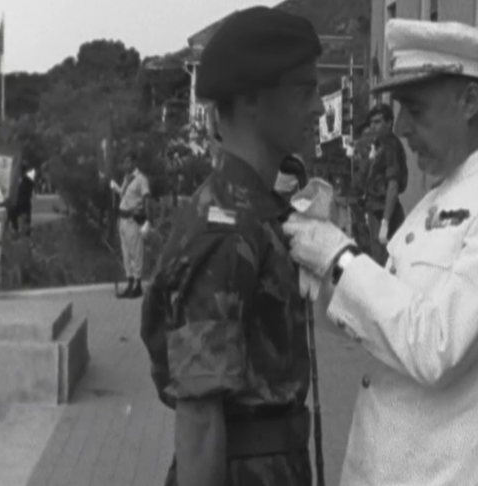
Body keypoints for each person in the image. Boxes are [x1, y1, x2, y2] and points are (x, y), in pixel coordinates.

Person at [283, 18, 478, 486]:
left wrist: (342, 259)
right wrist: (323, 277)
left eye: (415, 109)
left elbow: (435, 346)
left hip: (451, 470)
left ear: (469, 101)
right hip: (391, 462)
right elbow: (386, 319)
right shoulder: (441, 193)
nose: (401, 128)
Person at [140, 7, 324, 486]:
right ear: (250, 101)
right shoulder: (224, 232)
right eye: (305, 91)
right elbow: (199, 420)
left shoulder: (254, 213)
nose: (320, 108)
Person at [361, 104, 408, 265]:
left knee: (385, 263)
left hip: (385, 211)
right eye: (371, 123)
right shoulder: (378, 145)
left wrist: (385, 222)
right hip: (375, 210)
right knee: (377, 259)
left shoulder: (391, 147)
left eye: (378, 122)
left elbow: (393, 186)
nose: (373, 126)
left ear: (389, 123)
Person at [108, 153, 151, 298]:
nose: (126, 165)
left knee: (135, 253)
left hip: (133, 220)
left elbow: (146, 199)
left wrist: (148, 221)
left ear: (134, 162)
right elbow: (126, 196)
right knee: (126, 254)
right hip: (123, 219)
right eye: (124, 162)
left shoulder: (141, 179)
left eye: (128, 162)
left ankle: (138, 284)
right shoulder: (126, 179)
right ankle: (130, 283)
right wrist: (117, 189)